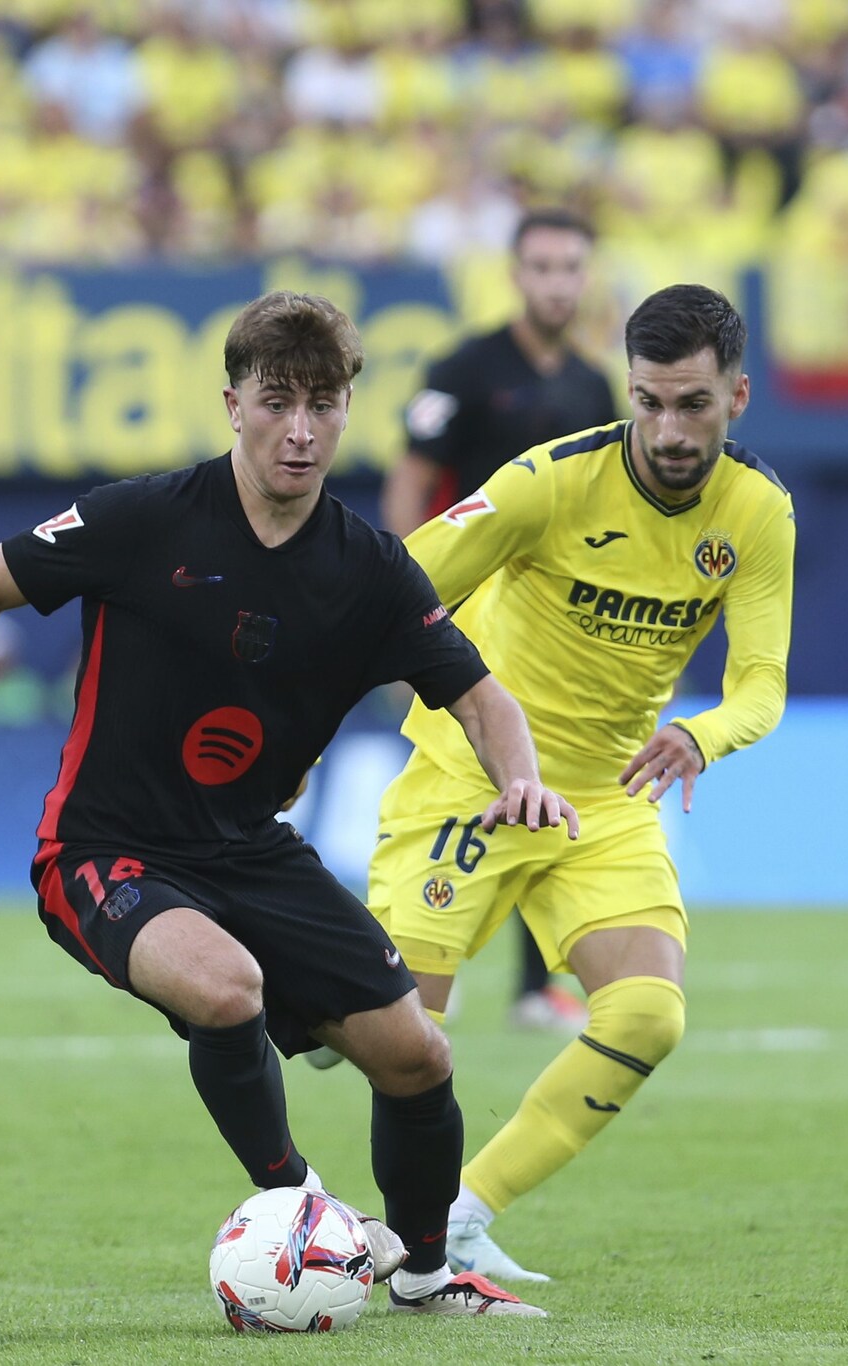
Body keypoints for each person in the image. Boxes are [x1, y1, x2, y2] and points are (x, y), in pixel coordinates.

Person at [0, 290, 575, 1318]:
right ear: (233, 405)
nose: (300, 429)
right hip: (102, 849)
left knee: (417, 1056)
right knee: (226, 988)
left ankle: (422, 1273)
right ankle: (307, 1209)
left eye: (323, 404)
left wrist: (521, 776)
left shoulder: (371, 569)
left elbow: (479, 695)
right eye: (277, 402)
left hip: (252, 853)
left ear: (348, 409)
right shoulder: (145, 518)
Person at [369, 284, 795, 1285]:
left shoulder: (756, 512)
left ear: (736, 396)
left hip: (604, 796)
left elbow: (761, 684)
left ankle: (456, 1221)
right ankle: (308, 1023)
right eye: (649, 402)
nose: (669, 430)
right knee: (395, 1035)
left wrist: (699, 734)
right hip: (472, 775)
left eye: (693, 404)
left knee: (647, 1014)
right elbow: (395, 588)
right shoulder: (548, 482)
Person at [382, 208, 619, 1036]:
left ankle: (532, 985)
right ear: (516, 276)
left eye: (570, 267)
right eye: (542, 267)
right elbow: (412, 481)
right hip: (463, 613)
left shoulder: (594, 388)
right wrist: (406, 598)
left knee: (543, 781)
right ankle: (389, 967)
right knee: (444, 784)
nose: (557, 283)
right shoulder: (465, 370)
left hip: (556, 627)